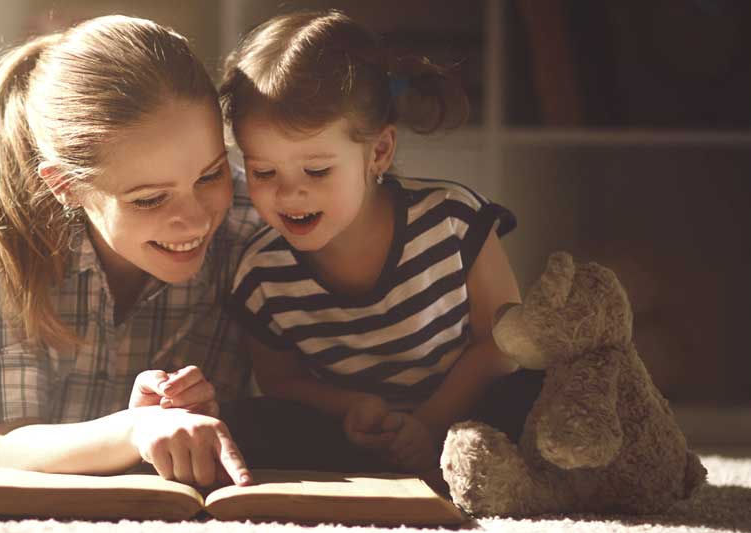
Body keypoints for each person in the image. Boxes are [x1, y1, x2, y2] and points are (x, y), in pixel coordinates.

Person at [0, 15, 265, 487]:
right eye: (150, 198)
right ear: (65, 186)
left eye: (210, 175)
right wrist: (136, 428)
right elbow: (0, 445)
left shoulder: (249, 218)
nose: (199, 218)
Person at [217, 9, 544, 480]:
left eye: (316, 171)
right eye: (264, 173)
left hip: (466, 410)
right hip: (352, 430)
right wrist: (350, 406)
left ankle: (466, 464)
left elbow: (501, 343)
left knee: (536, 393)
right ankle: (382, 461)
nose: (289, 194)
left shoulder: (452, 220)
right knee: (245, 424)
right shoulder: (261, 270)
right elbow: (280, 380)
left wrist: (429, 425)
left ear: (379, 152)